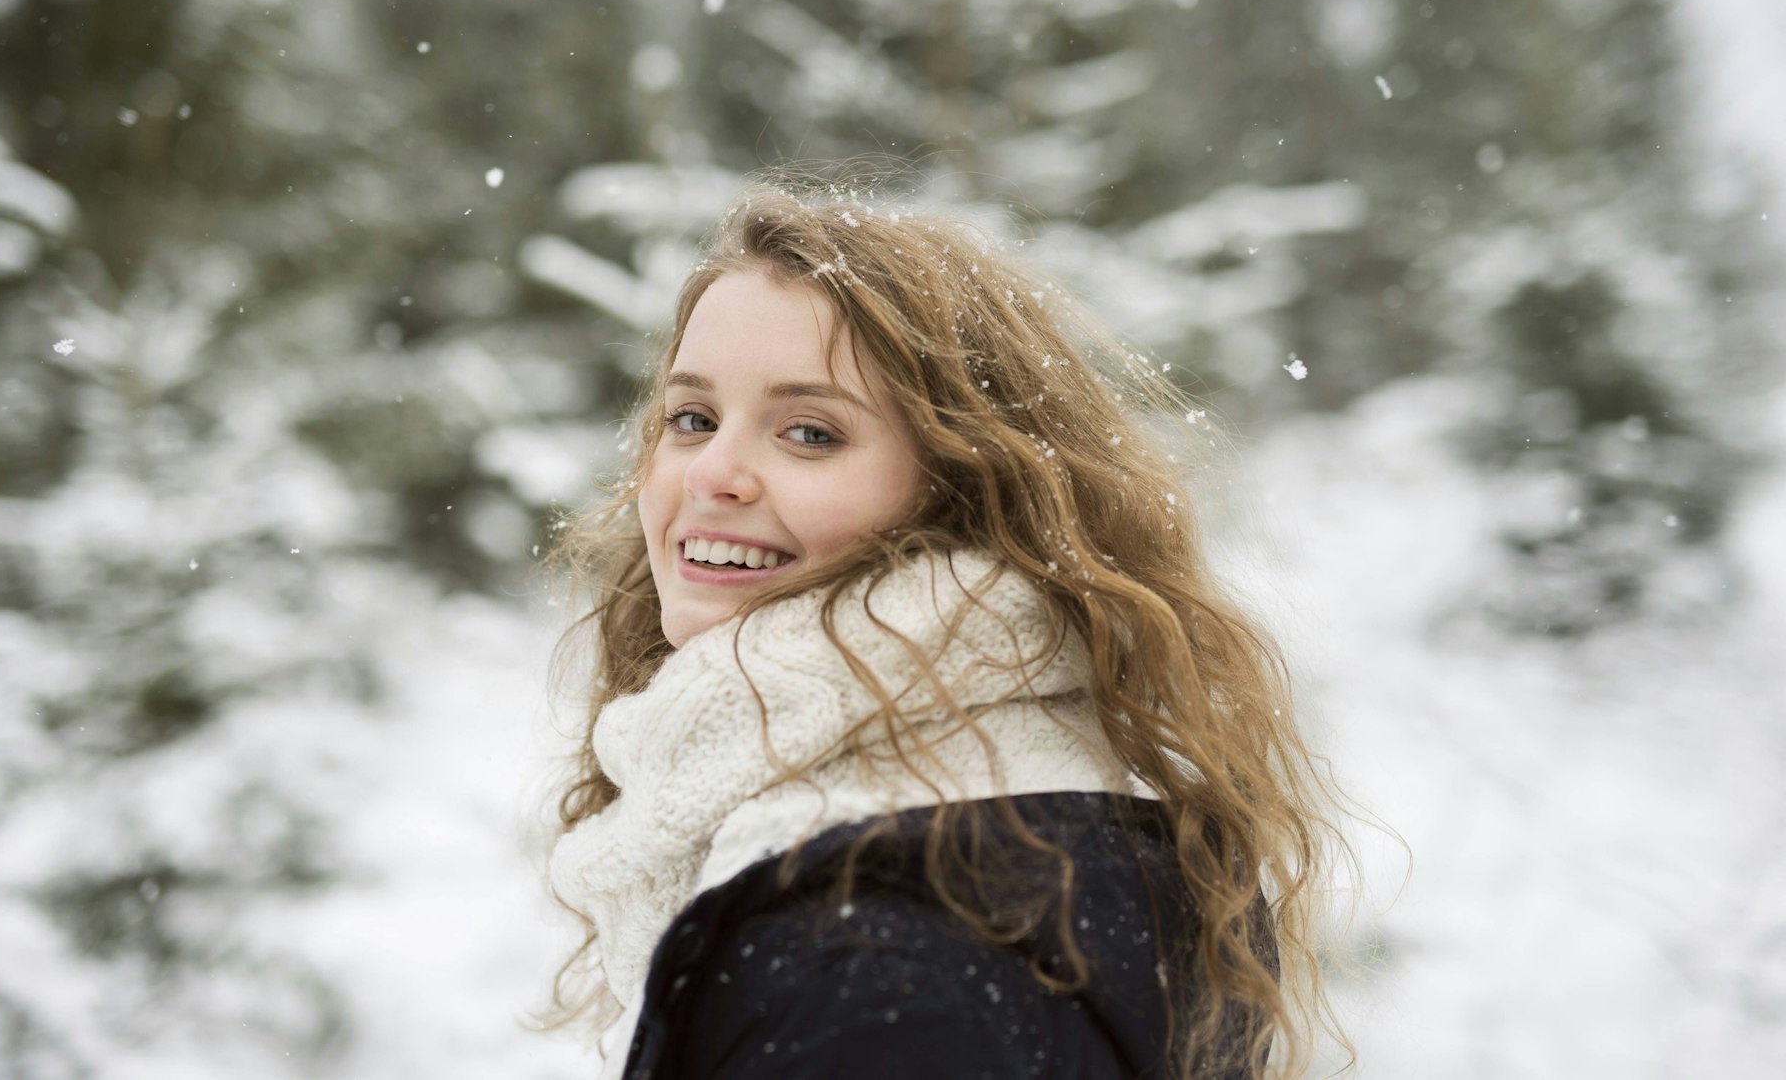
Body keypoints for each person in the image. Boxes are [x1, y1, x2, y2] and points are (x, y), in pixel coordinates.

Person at [534, 180, 1349, 1079]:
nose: (713, 472)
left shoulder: (881, 955)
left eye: (809, 432)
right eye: (692, 418)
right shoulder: (1012, 817)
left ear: (964, 488)